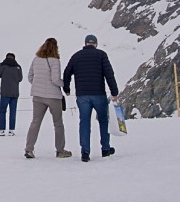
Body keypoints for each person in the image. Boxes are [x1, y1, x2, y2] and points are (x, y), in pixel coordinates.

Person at [63, 34, 119, 162]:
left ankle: (85, 152)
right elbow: (109, 74)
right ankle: (105, 149)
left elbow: (67, 72)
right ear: (96, 44)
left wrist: (67, 88)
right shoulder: (101, 55)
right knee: (103, 121)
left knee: (84, 122)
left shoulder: (76, 56)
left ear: (85, 43)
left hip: (82, 96)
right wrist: (114, 92)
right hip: (99, 94)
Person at [24, 38, 71, 159]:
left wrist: (38, 85)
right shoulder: (55, 61)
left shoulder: (36, 59)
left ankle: (29, 149)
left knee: (35, 122)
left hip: (37, 96)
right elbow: (55, 80)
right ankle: (60, 150)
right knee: (58, 124)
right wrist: (64, 84)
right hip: (53, 97)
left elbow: (30, 77)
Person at [0, 53, 23, 136]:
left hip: (5, 92)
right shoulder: (18, 67)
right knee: (13, 112)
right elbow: (20, 79)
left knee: (3, 111)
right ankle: (11, 130)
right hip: (15, 93)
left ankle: (2, 130)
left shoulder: (3, 65)